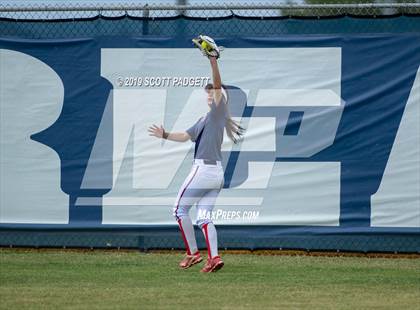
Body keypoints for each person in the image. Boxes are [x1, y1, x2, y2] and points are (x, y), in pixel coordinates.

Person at [148, 37, 243, 272]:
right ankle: (215, 258)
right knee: (203, 217)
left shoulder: (218, 112)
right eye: (208, 94)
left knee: (179, 210)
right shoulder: (207, 119)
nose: (210, 95)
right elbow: (186, 136)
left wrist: (213, 63)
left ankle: (192, 253)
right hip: (216, 174)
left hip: (203, 169)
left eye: (213, 94)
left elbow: (219, 86)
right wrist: (166, 134)